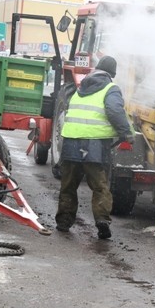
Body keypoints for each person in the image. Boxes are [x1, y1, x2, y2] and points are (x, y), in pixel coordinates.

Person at [55, 55, 133, 239]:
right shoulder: (110, 88)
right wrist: (126, 132)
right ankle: (102, 221)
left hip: (71, 142)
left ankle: (64, 223)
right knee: (100, 187)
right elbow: (114, 110)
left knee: (68, 186)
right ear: (112, 74)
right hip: (95, 145)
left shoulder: (80, 88)